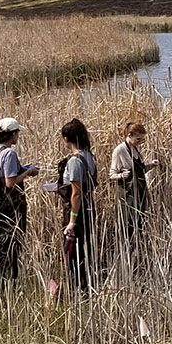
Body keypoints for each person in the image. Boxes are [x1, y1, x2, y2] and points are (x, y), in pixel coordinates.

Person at [0, 117, 38, 287]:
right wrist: (28, 173)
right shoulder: (9, 153)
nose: (18, 136)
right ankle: (7, 284)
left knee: (1, 244)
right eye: (17, 133)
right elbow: (10, 182)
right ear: (12, 134)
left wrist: (23, 168)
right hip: (8, 207)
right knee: (11, 246)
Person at [59, 118, 98, 293]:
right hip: (89, 207)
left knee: (74, 253)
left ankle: (77, 290)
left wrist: (72, 221)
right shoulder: (89, 155)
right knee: (85, 249)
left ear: (67, 138)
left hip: (77, 210)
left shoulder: (75, 160)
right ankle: (85, 286)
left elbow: (76, 192)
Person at [109, 121, 160, 251]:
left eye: (142, 140)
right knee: (128, 225)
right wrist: (121, 176)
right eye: (138, 139)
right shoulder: (119, 150)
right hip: (127, 196)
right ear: (130, 135)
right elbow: (111, 174)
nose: (140, 142)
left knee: (139, 225)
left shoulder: (135, 149)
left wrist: (151, 165)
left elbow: (140, 170)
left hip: (140, 195)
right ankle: (126, 251)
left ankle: (137, 251)